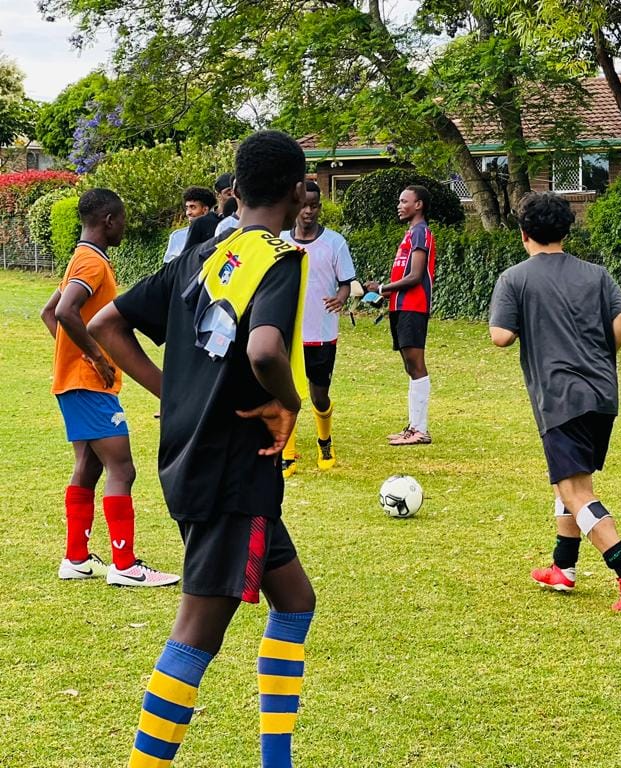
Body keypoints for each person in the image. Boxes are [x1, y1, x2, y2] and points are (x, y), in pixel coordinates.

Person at [88, 130, 317, 767]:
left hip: (202, 461)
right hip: (230, 472)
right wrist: (289, 402)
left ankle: (278, 761)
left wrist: (177, 389)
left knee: (296, 600)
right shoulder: (279, 260)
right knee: (195, 634)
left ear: (235, 191)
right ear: (299, 193)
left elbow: (107, 323)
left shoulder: (201, 254)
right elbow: (265, 350)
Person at [489, 192, 621, 612]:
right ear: (567, 230)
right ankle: (563, 567)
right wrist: (603, 353)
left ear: (523, 234)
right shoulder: (596, 274)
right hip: (603, 393)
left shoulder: (515, 278)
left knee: (574, 489)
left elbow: (500, 337)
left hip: (560, 396)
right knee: (573, 480)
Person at [40, 188, 179, 588]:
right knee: (123, 467)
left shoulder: (81, 257)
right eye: (121, 219)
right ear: (108, 221)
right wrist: (95, 358)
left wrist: (73, 354)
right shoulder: (92, 262)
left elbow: (50, 313)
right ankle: (125, 565)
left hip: (75, 383)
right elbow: (64, 312)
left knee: (89, 466)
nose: (124, 226)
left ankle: (77, 559)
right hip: (88, 386)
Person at [279, 180, 355, 476]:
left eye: (314, 205)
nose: (309, 211)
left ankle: (325, 441)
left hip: (322, 333)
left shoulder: (335, 242)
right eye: (304, 205)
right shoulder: (281, 241)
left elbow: (346, 283)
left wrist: (340, 297)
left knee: (318, 395)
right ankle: (288, 454)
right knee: (287, 394)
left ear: (320, 208)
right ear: (294, 206)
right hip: (288, 334)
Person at [364, 185, 436, 446]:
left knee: (416, 364)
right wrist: (385, 293)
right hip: (400, 305)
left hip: (413, 306)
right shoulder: (410, 233)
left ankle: (420, 430)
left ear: (419, 205)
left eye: (404, 201)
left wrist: (382, 288)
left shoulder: (421, 233)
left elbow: (416, 276)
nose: (399, 205)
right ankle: (413, 427)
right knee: (409, 365)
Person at [164, 187, 217, 263]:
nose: (188, 212)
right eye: (187, 208)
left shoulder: (219, 232)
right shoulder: (177, 236)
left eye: (193, 207)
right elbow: (169, 268)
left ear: (205, 210)